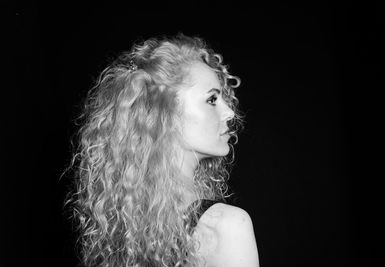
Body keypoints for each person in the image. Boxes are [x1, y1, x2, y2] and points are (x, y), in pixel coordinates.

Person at [66, 34, 259, 267]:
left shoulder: (125, 227)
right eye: (212, 99)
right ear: (165, 112)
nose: (230, 113)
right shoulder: (227, 225)